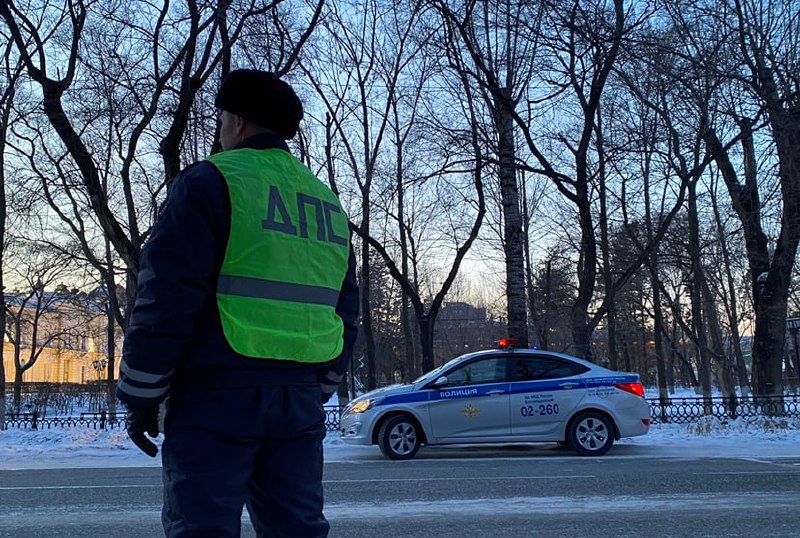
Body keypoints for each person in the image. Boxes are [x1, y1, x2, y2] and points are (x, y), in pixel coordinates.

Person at [116, 69, 359, 538]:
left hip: (216, 393)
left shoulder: (210, 183)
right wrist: (322, 384)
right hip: (298, 399)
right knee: (297, 529)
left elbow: (167, 299)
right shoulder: (326, 203)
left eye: (224, 120)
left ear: (240, 123)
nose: (222, 131)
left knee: (202, 528)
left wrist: (142, 395)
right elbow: (344, 308)